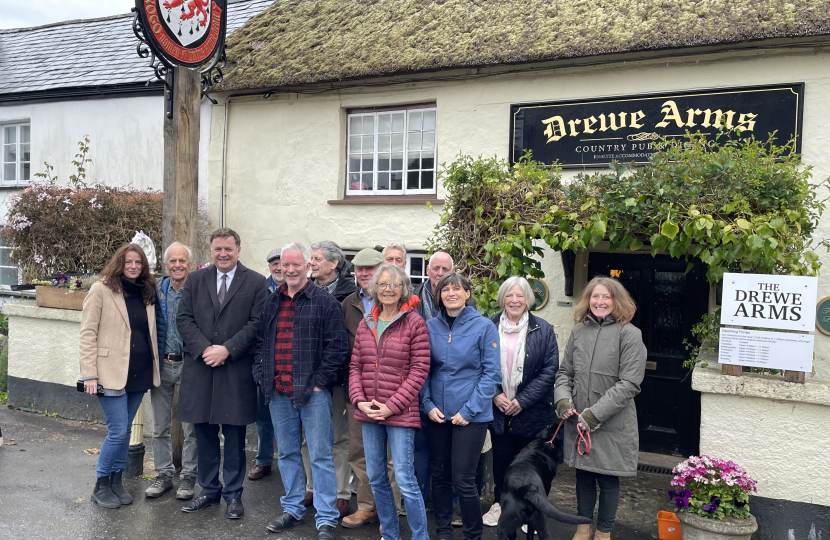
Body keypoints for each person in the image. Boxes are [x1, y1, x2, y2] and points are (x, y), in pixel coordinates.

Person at [253, 242, 349, 540]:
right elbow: (259, 344)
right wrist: (261, 374)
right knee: (288, 453)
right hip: (279, 391)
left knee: (321, 455)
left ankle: (326, 517)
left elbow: (338, 347)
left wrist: (320, 381)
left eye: (297, 265)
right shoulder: (272, 303)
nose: (290, 270)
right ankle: (293, 508)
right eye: (285, 265)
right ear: (279, 267)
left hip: (313, 393)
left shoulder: (324, 302)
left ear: (307, 267)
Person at [177, 228, 268, 519]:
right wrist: (205, 349)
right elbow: (183, 318)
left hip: (234, 371)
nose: (223, 254)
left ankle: (233, 495)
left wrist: (226, 349)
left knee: (234, 438)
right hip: (200, 369)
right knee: (203, 434)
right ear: (211, 251)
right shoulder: (195, 279)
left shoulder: (255, 282)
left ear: (238, 250)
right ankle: (209, 491)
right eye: (218, 249)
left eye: (228, 249)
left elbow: (256, 324)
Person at [554, 276, 647, 540]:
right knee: (583, 477)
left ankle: (603, 533)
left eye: (606, 297)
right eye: (595, 296)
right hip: (578, 419)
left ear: (617, 301)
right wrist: (562, 400)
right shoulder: (578, 331)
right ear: (588, 300)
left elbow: (630, 383)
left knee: (607, 479)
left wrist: (594, 415)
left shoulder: (630, 334)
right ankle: (583, 528)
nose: (600, 301)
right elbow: (565, 373)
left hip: (611, 422)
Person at [349, 264, 430, 540]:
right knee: (376, 478)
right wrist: (359, 401)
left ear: (403, 289)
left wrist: (392, 406)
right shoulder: (366, 323)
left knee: (406, 481)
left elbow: (420, 369)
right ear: (374, 289)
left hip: (400, 412)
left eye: (394, 285)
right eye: (382, 285)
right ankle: (391, 535)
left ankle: (420, 536)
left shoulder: (414, 322)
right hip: (369, 411)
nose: (388, 290)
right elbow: (356, 366)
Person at [79, 243, 161, 509]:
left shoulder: (146, 291)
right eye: (129, 262)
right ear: (119, 263)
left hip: (139, 372)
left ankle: (116, 481)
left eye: (138, 262)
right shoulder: (101, 289)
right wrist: (89, 374)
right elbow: (87, 334)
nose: (134, 267)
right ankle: (101, 484)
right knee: (117, 431)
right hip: (109, 372)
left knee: (125, 430)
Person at [422, 273, 501, 540]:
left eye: (457, 289)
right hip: (437, 414)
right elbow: (421, 369)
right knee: (440, 476)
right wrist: (427, 404)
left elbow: (491, 375)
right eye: (446, 290)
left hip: (472, 416)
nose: (451, 293)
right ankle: (443, 532)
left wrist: (468, 411)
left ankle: (472, 534)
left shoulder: (484, 326)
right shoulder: (429, 326)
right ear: (439, 295)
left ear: (468, 294)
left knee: (464, 480)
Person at [481, 277, 559, 527]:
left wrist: (522, 400)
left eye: (520, 295)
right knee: (502, 462)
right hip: (499, 409)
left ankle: (529, 511)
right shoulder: (488, 325)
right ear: (503, 297)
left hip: (532, 410)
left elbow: (550, 370)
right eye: (510, 295)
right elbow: (477, 362)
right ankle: (499, 506)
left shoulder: (543, 329)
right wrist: (495, 394)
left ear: (528, 299)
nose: (515, 300)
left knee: (530, 465)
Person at [341, 249, 403, 528]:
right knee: (359, 452)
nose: (364, 274)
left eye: (370, 269)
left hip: (393, 393)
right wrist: (355, 393)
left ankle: (389, 510)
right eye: (359, 269)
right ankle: (366, 506)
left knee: (391, 458)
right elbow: (346, 353)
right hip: (359, 394)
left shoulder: (403, 307)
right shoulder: (348, 304)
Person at [145, 242, 199, 501]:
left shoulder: (198, 289)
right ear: (166, 265)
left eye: (182, 261)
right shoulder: (156, 289)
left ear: (190, 263)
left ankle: (188, 476)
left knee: (191, 427)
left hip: (190, 364)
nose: (177, 265)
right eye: (172, 261)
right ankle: (164, 474)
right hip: (162, 364)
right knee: (160, 426)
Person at [306, 240, 354, 515]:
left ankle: (340, 492)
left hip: (335, 377)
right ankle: (311, 488)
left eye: (317, 259)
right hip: (305, 377)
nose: (311, 262)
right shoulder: (305, 289)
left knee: (337, 436)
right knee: (307, 438)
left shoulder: (349, 292)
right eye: (311, 258)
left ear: (334, 264)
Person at [410, 250, 453, 505]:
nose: (439, 274)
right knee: (419, 447)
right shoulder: (412, 299)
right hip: (416, 384)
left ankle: (448, 503)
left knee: (447, 451)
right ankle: (419, 500)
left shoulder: (463, 302)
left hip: (448, 386)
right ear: (428, 270)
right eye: (435, 268)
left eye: (444, 269)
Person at [248, 248, 284, 481]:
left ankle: (293, 462)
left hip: (290, 361)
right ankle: (263, 460)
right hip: (264, 360)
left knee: (292, 418)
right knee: (263, 416)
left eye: (282, 263)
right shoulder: (259, 288)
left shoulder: (300, 287)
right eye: (274, 264)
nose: (279, 268)